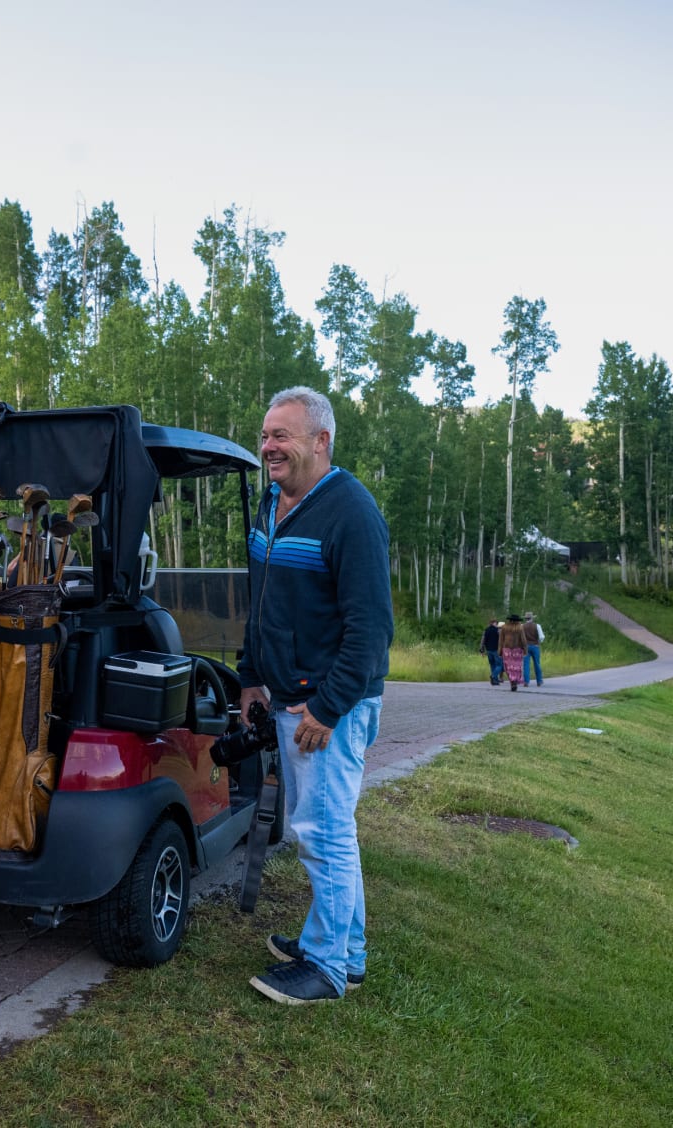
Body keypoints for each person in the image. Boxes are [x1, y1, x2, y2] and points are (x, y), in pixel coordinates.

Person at [238, 386, 394, 1005]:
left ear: (321, 441)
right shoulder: (271, 502)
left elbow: (372, 629)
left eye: (282, 435)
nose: (269, 447)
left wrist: (328, 708)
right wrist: (250, 675)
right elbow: (261, 601)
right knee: (326, 829)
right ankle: (345, 954)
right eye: (265, 436)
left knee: (323, 833)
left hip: (327, 706)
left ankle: (326, 969)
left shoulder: (352, 513)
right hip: (285, 695)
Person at [499, 613, 529, 691]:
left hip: (506, 649)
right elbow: (523, 640)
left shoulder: (504, 627)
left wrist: (500, 651)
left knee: (508, 667)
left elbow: (501, 640)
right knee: (517, 666)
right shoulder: (520, 628)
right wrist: (525, 650)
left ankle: (512, 682)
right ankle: (515, 682)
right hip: (517, 649)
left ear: (510, 620)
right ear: (517, 621)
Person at [523, 611, 545, 686]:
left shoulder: (522, 626)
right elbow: (542, 637)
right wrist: (538, 642)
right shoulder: (537, 626)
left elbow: (520, 637)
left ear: (526, 618)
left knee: (526, 665)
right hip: (535, 646)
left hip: (526, 646)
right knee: (537, 664)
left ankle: (526, 681)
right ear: (532, 618)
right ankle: (539, 681)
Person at [481, 618, 503, 685]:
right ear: (494, 623)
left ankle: (494, 681)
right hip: (496, 650)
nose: (497, 624)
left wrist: (482, 650)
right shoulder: (498, 630)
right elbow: (501, 640)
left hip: (489, 650)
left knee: (492, 665)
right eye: (496, 623)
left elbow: (483, 640)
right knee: (500, 665)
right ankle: (493, 675)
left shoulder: (486, 630)